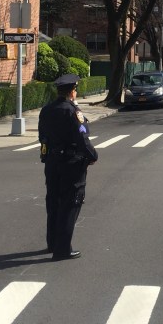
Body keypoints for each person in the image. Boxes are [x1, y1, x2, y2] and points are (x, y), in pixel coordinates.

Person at [38, 74, 98, 261]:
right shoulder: (73, 111)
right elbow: (82, 137)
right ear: (72, 91)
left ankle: (52, 242)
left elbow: (42, 136)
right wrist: (92, 156)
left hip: (52, 161)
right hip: (71, 162)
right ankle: (63, 249)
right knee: (70, 204)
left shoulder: (46, 110)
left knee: (53, 202)